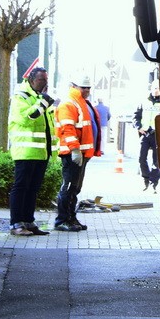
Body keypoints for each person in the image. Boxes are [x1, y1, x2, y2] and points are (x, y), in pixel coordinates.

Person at [7, 68, 55, 236]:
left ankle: (28, 221)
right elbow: (29, 117)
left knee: (33, 188)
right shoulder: (21, 96)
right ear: (31, 80)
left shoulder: (39, 98)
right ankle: (16, 224)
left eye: (46, 79)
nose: (45, 83)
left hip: (40, 152)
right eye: (41, 79)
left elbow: (49, 125)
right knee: (20, 187)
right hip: (25, 151)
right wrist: (43, 102)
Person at [54, 75, 102, 231]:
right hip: (73, 153)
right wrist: (75, 149)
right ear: (74, 86)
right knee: (68, 187)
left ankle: (70, 218)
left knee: (74, 188)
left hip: (81, 153)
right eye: (84, 87)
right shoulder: (70, 104)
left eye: (88, 88)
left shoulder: (81, 103)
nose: (87, 90)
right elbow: (67, 129)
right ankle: (62, 220)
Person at [139, 83, 160, 192]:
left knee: (156, 161)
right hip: (145, 134)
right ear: (151, 89)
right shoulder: (144, 101)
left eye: (157, 88)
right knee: (142, 158)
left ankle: (154, 181)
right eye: (154, 88)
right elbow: (136, 116)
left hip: (157, 134)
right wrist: (138, 127)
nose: (156, 90)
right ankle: (146, 178)